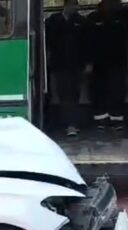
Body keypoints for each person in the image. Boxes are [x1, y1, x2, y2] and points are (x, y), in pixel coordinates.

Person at [87, 0, 128, 130]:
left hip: (118, 60)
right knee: (98, 91)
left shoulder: (126, 15)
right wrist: (88, 62)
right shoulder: (93, 17)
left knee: (118, 90)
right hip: (98, 62)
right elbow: (85, 41)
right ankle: (100, 120)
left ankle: (117, 120)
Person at [45, 0, 89, 137]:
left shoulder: (81, 21)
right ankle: (68, 124)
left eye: (76, 5)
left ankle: (72, 124)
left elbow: (88, 43)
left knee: (74, 94)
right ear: (66, 5)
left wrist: (88, 63)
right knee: (63, 94)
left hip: (76, 65)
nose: (74, 7)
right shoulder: (53, 20)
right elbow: (47, 40)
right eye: (72, 5)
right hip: (59, 64)